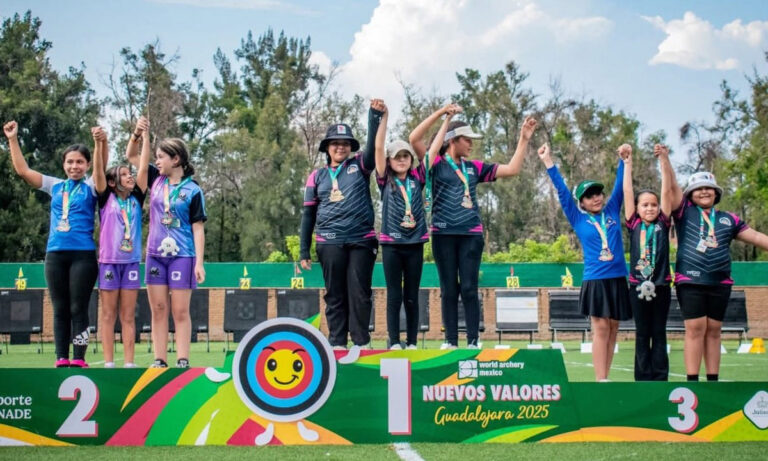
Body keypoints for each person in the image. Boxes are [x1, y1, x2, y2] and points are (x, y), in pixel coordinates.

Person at [411, 105, 536, 349]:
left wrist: (523, 139)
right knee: (449, 289)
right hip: (443, 234)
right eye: (467, 139)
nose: (471, 144)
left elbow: (512, 169)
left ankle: (473, 341)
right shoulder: (434, 162)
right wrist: (443, 115)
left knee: (469, 288)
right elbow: (414, 138)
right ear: (452, 140)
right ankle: (450, 342)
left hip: (471, 235)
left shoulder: (474, 167)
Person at [659, 148, 768, 381]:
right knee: (695, 328)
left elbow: (758, 237)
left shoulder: (729, 219)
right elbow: (671, 187)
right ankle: (692, 381)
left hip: (720, 282)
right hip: (690, 280)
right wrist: (665, 159)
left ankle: (712, 380)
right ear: (690, 194)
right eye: (698, 189)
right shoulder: (683, 212)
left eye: (708, 188)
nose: (704, 192)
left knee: (715, 330)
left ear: (716, 193)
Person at [4, 120, 106, 367]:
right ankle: (61, 357)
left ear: (87, 165)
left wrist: (99, 143)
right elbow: (23, 171)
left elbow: (101, 171)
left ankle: (79, 358)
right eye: (70, 162)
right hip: (55, 255)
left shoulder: (91, 186)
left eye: (79, 162)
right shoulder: (55, 185)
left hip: (82, 255)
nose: (74, 166)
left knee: (78, 308)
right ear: (64, 164)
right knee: (59, 308)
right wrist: (12, 139)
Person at [537, 142, 631, 381]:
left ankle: (606, 377)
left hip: (618, 278)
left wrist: (623, 160)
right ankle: (600, 380)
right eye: (589, 196)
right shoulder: (578, 218)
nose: (595, 198)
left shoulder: (612, 211)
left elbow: (620, 186)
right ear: (581, 202)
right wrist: (548, 161)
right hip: (596, 280)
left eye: (598, 193)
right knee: (601, 328)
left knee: (613, 329)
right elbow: (562, 191)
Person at [299, 100, 385, 350]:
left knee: (359, 293)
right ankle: (337, 343)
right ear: (327, 148)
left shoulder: (360, 165)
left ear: (350, 147)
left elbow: (372, 148)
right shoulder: (317, 176)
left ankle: (361, 342)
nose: (340, 147)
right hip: (329, 241)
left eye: (345, 143)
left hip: (361, 240)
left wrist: (374, 116)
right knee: (334, 294)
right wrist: (304, 250)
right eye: (335, 143)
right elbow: (308, 215)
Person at [127, 118, 206, 368]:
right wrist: (138, 133)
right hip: (155, 255)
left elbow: (198, 228)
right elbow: (132, 155)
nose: (157, 161)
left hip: (183, 256)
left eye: (161, 157)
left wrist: (199, 263)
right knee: (159, 308)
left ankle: (182, 359)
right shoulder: (155, 179)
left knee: (180, 311)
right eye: (156, 157)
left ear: (176, 159)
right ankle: (159, 359)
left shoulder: (193, 190)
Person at [92, 119, 151, 368]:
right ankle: (108, 363)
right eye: (124, 175)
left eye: (130, 173)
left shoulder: (137, 197)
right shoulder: (105, 198)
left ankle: (129, 363)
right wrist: (98, 144)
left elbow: (144, 167)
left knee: (128, 315)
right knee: (108, 315)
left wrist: (144, 136)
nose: (130, 176)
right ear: (112, 182)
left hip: (131, 263)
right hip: (108, 263)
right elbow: (98, 172)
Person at [374, 103, 428, 350]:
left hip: (415, 243)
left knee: (412, 295)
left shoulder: (418, 177)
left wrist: (444, 118)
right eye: (397, 157)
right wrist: (385, 116)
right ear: (389, 160)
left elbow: (432, 150)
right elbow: (378, 147)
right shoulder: (384, 180)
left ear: (411, 160)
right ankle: (394, 341)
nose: (402, 160)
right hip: (392, 244)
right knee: (394, 295)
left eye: (406, 156)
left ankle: (413, 342)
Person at [622, 144, 671, 381]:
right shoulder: (633, 223)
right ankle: (642, 379)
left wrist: (663, 160)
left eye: (653, 204)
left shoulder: (664, 222)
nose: (650, 208)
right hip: (637, 287)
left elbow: (667, 190)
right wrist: (627, 163)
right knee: (642, 333)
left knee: (659, 332)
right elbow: (627, 191)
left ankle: (660, 377)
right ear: (637, 208)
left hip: (661, 285)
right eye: (645, 205)